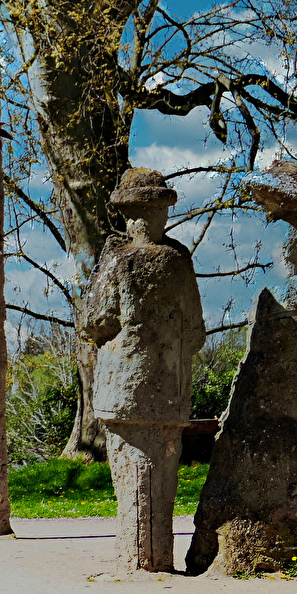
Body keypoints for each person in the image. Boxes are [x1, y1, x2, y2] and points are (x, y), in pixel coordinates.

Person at [78, 168, 205, 573]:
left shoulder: (119, 260)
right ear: (162, 214)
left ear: (129, 217)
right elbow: (197, 330)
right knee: (162, 478)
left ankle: (138, 561)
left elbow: (95, 320)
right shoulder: (180, 261)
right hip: (170, 387)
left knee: (129, 475)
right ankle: (156, 558)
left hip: (123, 387)